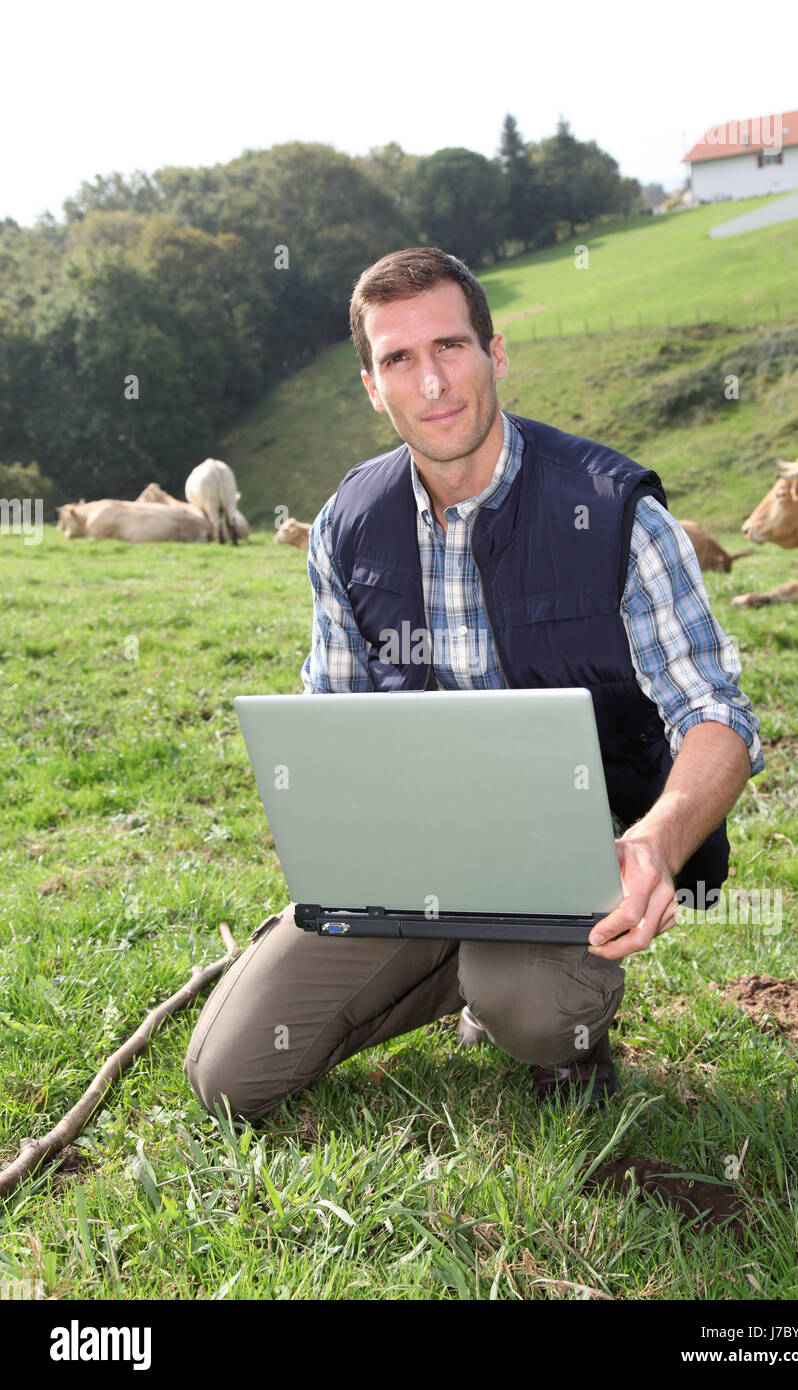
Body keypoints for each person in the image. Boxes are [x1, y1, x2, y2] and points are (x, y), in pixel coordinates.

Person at [183, 247, 763, 1116]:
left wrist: (655, 843)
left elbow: (716, 712)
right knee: (227, 1075)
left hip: (578, 847)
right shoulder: (347, 523)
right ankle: (458, 969)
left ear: (496, 354)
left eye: (450, 347)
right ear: (373, 388)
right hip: (416, 853)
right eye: (399, 360)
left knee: (533, 1010)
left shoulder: (614, 513)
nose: (432, 383)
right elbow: (330, 717)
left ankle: (542, 1013)